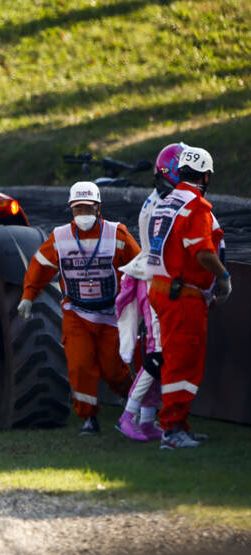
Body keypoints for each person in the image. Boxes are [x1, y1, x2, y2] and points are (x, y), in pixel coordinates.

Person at [17, 181, 140, 435]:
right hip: (77, 314)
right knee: (80, 366)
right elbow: (40, 265)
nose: (83, 213)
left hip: (111, 315)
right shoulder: (60, 238)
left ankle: (133, 401)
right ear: (71, 210)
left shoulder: (118, 235)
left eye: (88, 208)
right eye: (78, 209)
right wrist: (28, 296)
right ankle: (88, 418)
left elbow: (139, 266)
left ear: (98, 208)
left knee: (113, 369)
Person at [145, 146, 229, 450]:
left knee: (176, 361)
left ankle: (178, 423)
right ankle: (171, 429)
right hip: (182, 296)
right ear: (205, 176)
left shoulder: (167, 202)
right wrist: (223, 278)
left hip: (164, 289)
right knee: (183, 364)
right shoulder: (195, 208)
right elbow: (203, 253)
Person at [114, 142, 188, 442]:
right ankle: (128, 415)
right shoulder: (161, 204)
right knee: (157, 356)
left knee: (162, 354)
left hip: (153, 278)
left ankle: (146, 419)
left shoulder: (159, 198)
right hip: (154, 282)